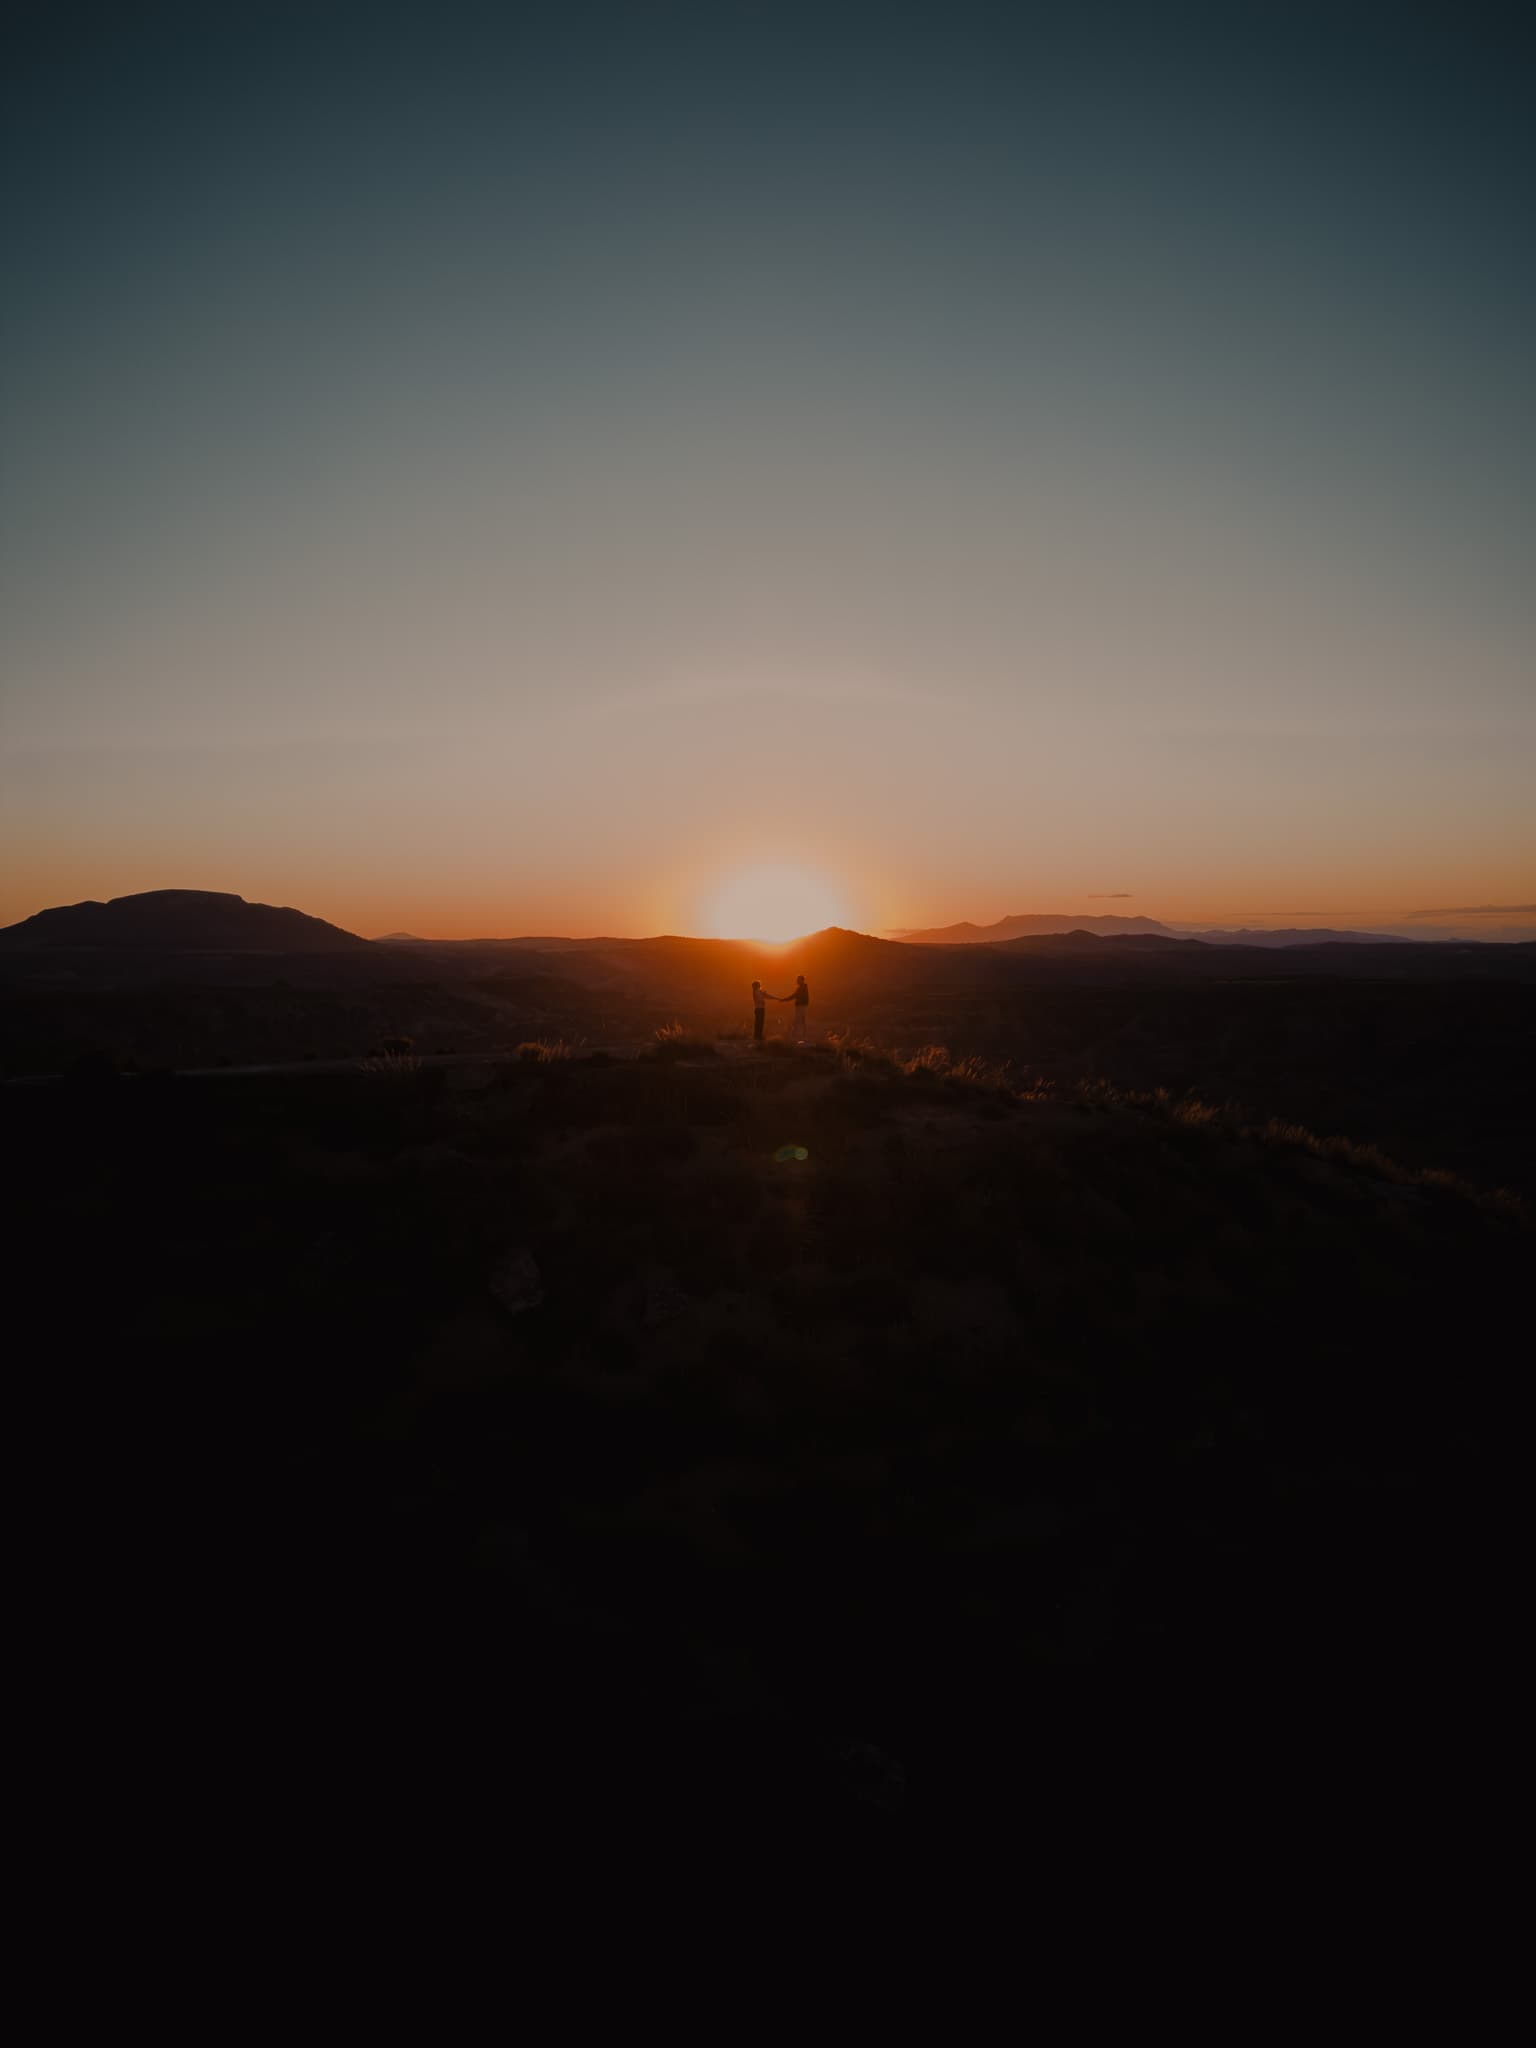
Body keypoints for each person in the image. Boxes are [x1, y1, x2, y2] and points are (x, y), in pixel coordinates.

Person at [789, 973, 810, 1041]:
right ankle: (803, 1037)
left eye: (798, 980)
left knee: (797, 1021)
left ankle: (795, 1037)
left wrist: (784, 1000)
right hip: (803, 1006)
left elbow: (794, 996)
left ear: (802, 980)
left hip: (800, 1007)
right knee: (802, 1022)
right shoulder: (803, 987)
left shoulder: (801, 988)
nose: (797, 981)